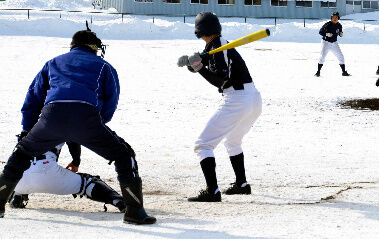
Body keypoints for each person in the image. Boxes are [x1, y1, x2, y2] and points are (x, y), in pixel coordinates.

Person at [0, 26, 155, 224]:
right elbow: (110, 102)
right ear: (95, 48)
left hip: (51, 116)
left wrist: (27, 131)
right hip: (87, 117)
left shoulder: (53, 62)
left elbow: (33, 98)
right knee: (124, 156)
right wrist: (97, 126)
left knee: (21, 155)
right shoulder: (104, 66)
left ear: (72, 46)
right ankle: (134, 212)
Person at [177, 12, 262, 202]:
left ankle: (212, 191)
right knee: (232, 141)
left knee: (203, 145)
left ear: (200, 31)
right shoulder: (216, 45)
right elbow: (205, 64)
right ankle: (242, 184)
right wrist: (191, 64)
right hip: (252, 99)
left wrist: (199, 68)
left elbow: (220, 79)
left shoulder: (219, 46)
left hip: (237, 99)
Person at [9, 141, 125, 213]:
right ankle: (118, 201)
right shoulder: (59, 114)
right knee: (86, 182)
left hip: (18, 178)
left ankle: (17, 195)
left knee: (23, 168)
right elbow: (73, 140)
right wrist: (76, 162)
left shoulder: (30, 118)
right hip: (47, 170)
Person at [315, 12, 350, 77]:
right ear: (331, 18)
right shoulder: (327, 24)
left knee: (341, 57)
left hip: (334, 43)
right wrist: (326, 34)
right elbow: (320, 32)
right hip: (326, 42)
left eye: (336, 17)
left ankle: (344, 72)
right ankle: (318, 72)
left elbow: (340, 32)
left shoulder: (339, 25)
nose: (335, 19)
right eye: (333, 17)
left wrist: (340, 34)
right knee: (322, 56)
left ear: (338, 18)